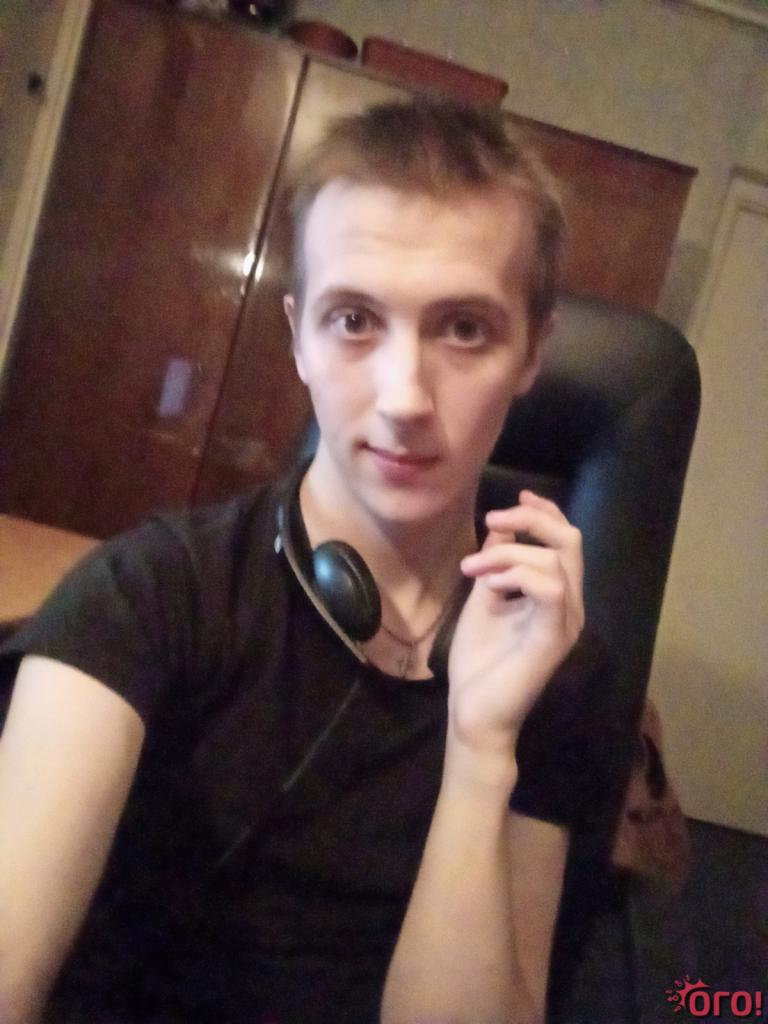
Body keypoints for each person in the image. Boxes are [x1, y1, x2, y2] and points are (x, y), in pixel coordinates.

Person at [0, 98, 604, 1024]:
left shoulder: (552, 661)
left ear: (532, 353)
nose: (404, 398)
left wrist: (483, 746)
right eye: (354, 319)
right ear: (298, 338)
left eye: (464, 329)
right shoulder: (150, 596)